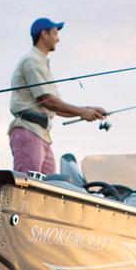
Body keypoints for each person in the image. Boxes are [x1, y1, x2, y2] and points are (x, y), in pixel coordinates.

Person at [8, 17, 106, 175]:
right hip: (28, 131)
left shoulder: (40, 62)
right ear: (44, 34)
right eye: (55, 33)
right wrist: (82, 112)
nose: (58, 38)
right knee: (26, 188)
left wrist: (88, 110)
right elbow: (47, 100)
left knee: (49, 186)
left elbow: (56, 108)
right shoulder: (32, 61)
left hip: (42, 134)